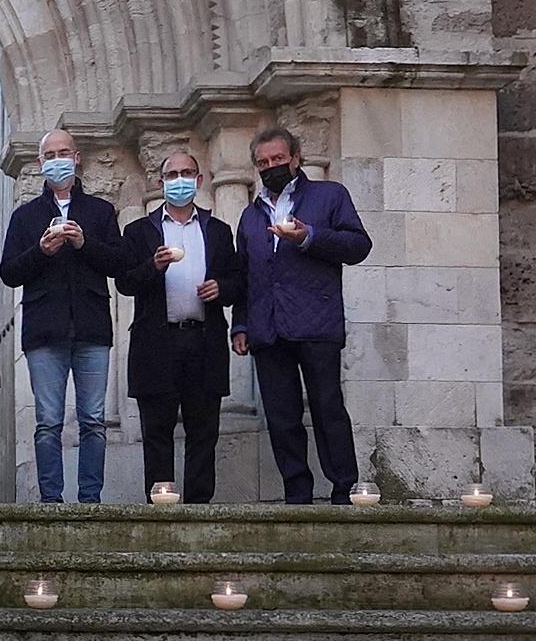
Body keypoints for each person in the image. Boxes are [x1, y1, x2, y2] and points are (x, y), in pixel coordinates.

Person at [231, 125, 374, 504]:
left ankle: (344, 491)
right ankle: (297, 496)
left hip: (317, 323)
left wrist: (309, 235)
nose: (271, 167)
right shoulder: (250, 215)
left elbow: (359, 245)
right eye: (263, 162)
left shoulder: (329, 196)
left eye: (278, 159)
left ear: (295, 158)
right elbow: (245, 274)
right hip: (267, 329)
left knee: (327, 408)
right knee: (281, 417)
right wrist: (240, 324)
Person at [0, 126, 121, 503]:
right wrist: (41, 251)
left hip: (92, 328)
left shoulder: (100, 211)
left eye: (63, 153)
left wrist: (84, 244)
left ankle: (90, 501)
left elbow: (119, 263)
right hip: (44, 331)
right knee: (48, 422)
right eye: (50, 156)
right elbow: (9, 272)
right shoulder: (25, 216)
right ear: (40, 163)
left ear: (77, 158)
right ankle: (51, 501)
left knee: (93, 421)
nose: (57, 161)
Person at [117, 147, 247, 503]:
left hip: (204, 342)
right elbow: (125, 282)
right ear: (161, 183)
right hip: (156, 344)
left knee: (203, 432)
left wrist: (221, 289)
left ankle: (199, 508)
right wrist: (154, 267)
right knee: (157, 432)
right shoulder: (139, 231)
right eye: (172, 175)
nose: (179, 181)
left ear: (199, 180)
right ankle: (162, 506)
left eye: (186, 173)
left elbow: (238, 281)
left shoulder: (217, 230)